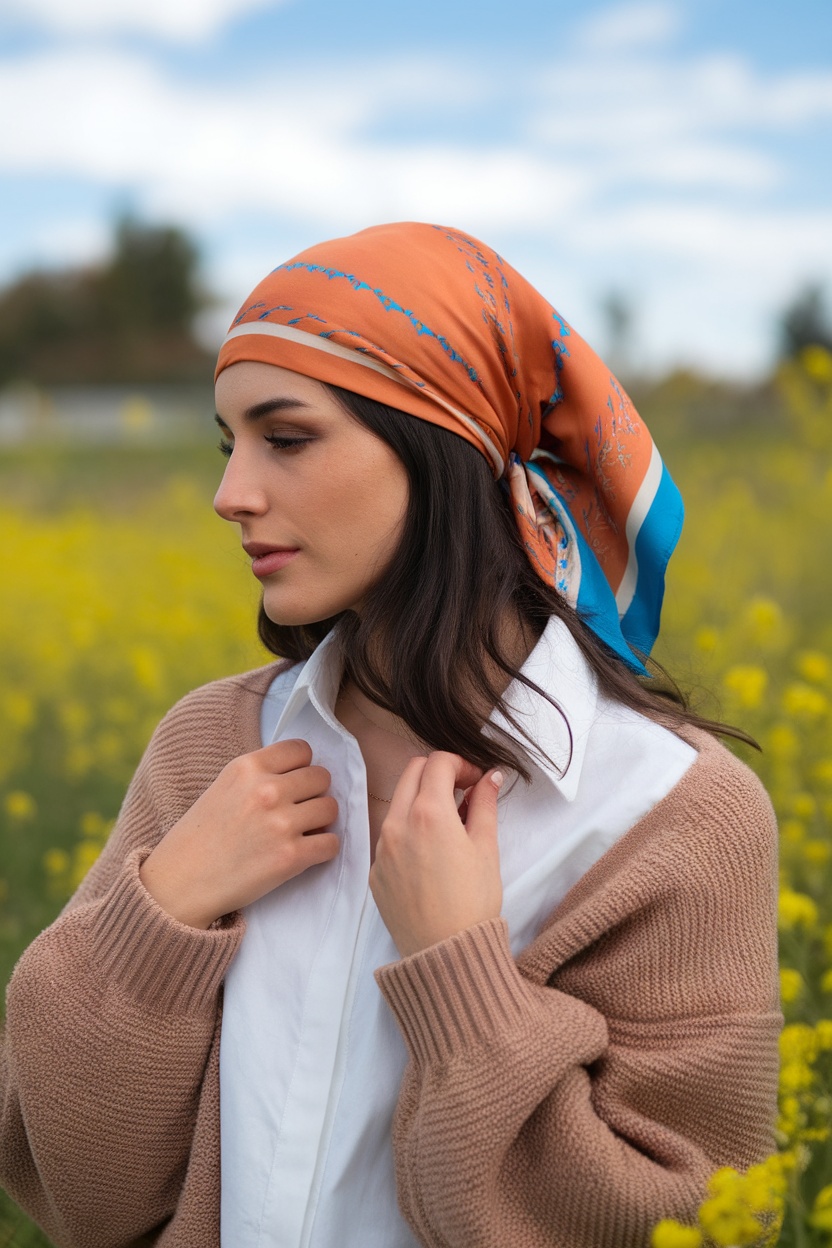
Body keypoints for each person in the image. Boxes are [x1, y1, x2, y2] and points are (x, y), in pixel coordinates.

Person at [0, 222, 780, 1248]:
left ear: (441, 449)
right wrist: (163, 918)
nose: (229, 495)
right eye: (228, 445)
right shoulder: (211, 749)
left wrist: (458, 972)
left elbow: (685, 1222)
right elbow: (79, 1195)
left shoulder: (673, 813)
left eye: (286, 438)